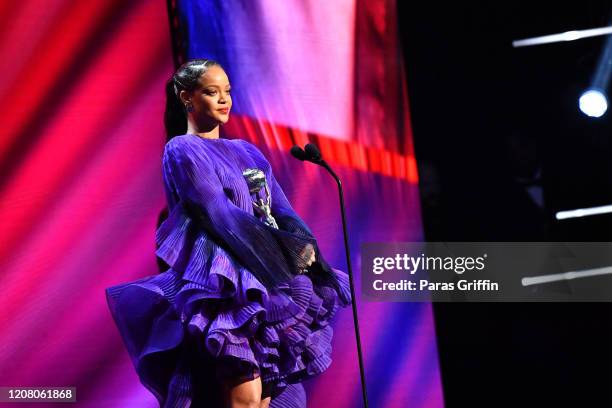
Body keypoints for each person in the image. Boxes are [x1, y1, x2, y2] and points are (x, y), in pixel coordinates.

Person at [105, 58, 352, 408]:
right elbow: (217, 213)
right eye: (211, 92)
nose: (224, 100)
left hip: (269, 279)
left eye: (227, 92)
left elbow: (281, 209)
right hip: (227, 281)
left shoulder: (247, 151)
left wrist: (305, 248)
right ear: (186, 97)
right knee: (244, 396)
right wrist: (283, 248)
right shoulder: (182, 149)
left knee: (269, 394)